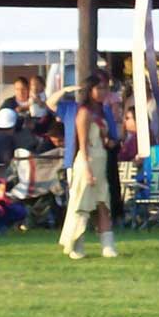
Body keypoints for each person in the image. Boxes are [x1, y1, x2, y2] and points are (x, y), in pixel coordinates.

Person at [58, 74, 118, 260]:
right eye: (98, 88)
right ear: (90, 90)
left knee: (103, 204)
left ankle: (107, 246)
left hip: (102, 159)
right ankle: (76, 244)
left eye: (104, 88)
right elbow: (82, 144)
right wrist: (87, 169)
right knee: (82, 204)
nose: (102, 92)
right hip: (87, 161)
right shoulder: (84, 112)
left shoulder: (103, 112)